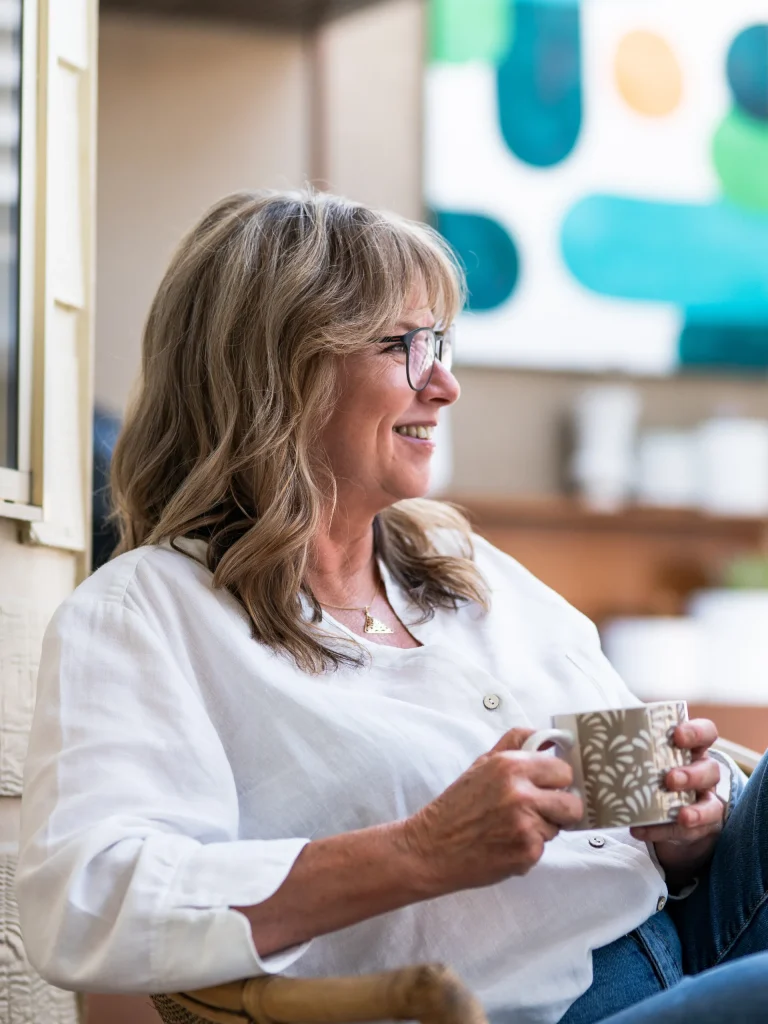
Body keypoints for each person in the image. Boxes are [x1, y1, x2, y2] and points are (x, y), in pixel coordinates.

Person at [16, 190, 768, 1024]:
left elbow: (651, 805)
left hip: (693, 935)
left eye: (439, 343)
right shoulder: (145, 615)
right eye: (402, 345)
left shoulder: (463, 567)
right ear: (277, 372)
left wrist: (687, 821)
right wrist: (422, 850)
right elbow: (89, 903)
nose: (443, 385)